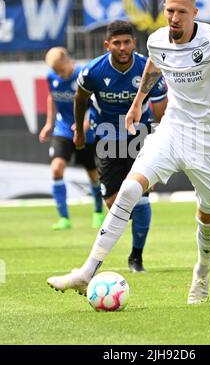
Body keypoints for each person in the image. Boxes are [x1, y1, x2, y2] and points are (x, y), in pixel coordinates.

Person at [47, 0, 210, 303]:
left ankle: (202, 272)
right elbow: (155, 64)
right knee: (128, 189)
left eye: (181, 12)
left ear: (194, 13)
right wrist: (138, 100)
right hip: (173, 130)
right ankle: (86, 273)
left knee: (208, 215)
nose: (174, 17)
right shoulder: (156, 40)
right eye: (170, 11)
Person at [73, 20, 167, 272]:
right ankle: (134, 218)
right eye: (117, 43)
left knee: (142, 199)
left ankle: (136, 257)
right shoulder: (93, 71)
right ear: (107, 45)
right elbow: (79, 99)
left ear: (134, 43)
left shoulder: (149, 70)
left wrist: (162, 147)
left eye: (127, 42)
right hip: (106, 137)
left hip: (140, 137)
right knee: (114, 202)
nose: (123, 47)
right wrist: (80, 131)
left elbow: (161, 113)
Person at [39, 47, 105, 230]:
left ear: (68, 61)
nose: (58, 74)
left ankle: (98, 213)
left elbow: (96, 104)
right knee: (56, 168)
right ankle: (64, 218)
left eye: (60, 69)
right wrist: (48, 123)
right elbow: (52, 97)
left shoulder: (84, 76)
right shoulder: (51, 77)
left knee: (93, 174)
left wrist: (83, 126)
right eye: (55, 71)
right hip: (63, 130)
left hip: (85, 132)